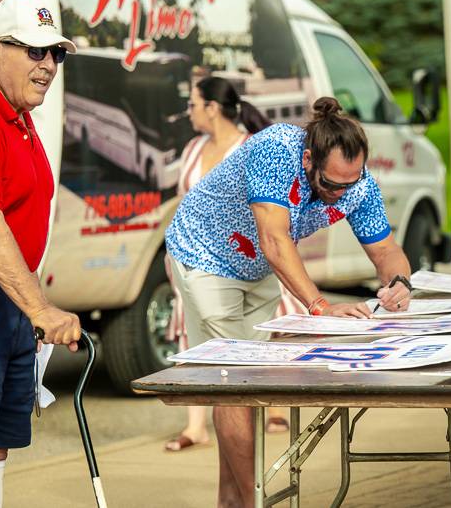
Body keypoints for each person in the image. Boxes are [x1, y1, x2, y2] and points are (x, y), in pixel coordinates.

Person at [165, 96, 412, 505]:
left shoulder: (357, 183)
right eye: (332, 184)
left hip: (256, 267)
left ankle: (232, 499)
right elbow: (275, 241)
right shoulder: (276, 148)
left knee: (245, 383)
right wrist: (320, 306)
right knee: (232, 378)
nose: (341, 194)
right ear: (310, 159)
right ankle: (251, 502)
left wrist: (400, 281)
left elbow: (386, 251)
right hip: (205, 254)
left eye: (352, 183)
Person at [0, 0, 82, 507]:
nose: (48, 65)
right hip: (7, 299)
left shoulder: (20, 116)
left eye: (57, 54)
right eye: (34, 51)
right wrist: (40, 308)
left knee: (1, 441)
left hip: (9, 304)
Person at [164, 76, 280, 451]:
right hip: (195, 257)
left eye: (193, 104)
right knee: (194, 332)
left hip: (241, 259)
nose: (189, 112)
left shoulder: (250, 148)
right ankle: (196, 424)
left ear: (212, 108)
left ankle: (250, 417)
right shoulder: (193, 149)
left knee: (237, 343)